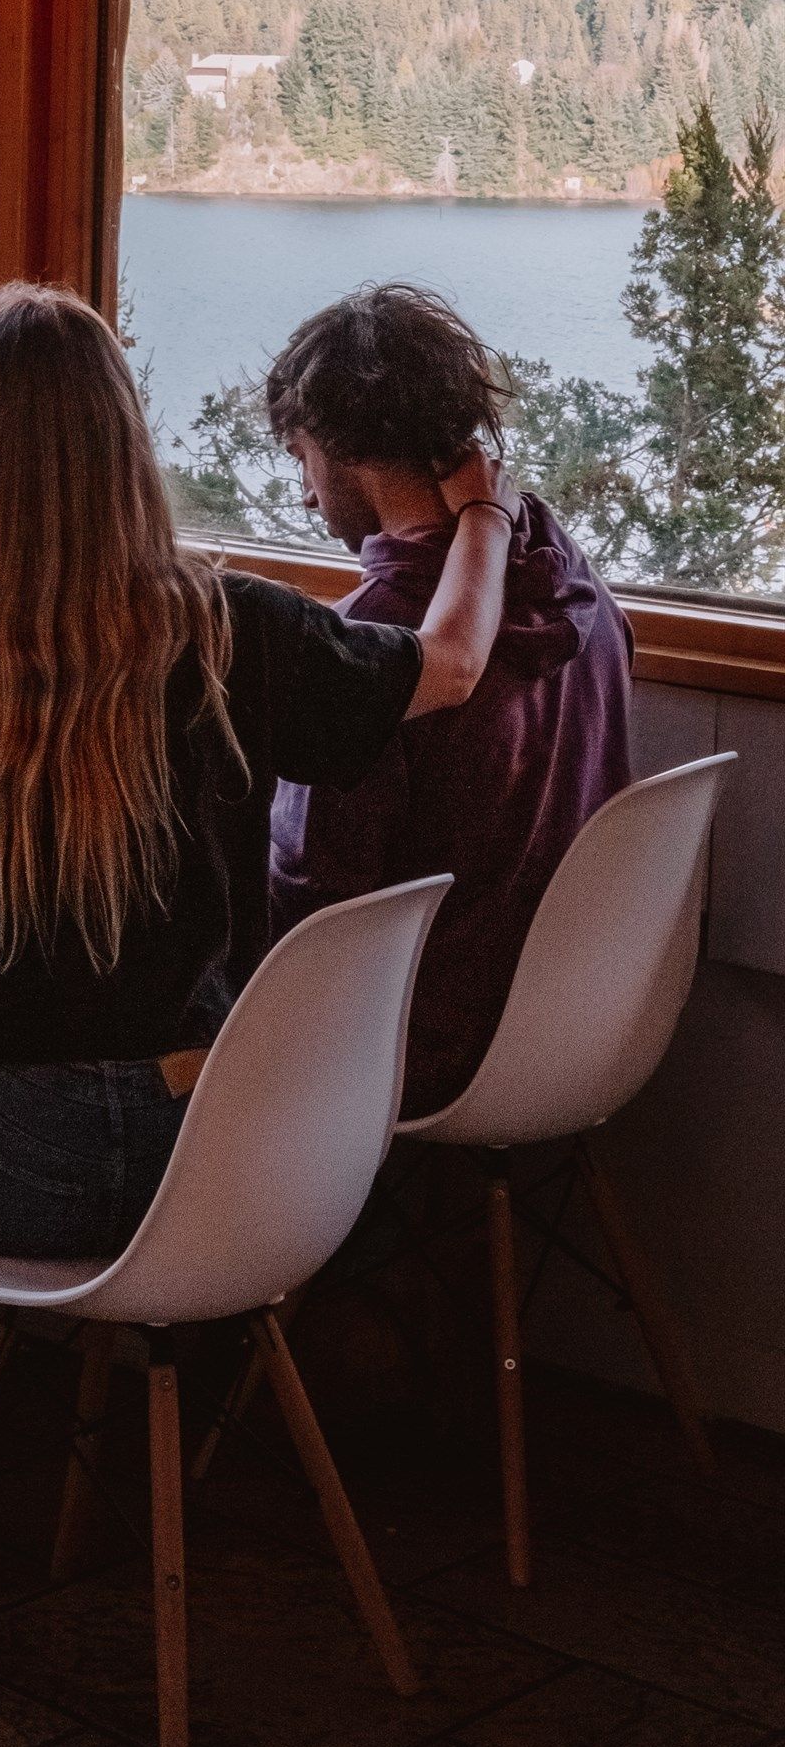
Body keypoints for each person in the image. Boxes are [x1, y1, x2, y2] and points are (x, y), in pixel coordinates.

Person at [0, 280, 519, 1592]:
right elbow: (452, 663)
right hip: (227, 1159)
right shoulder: (234, 627)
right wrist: (485, 515)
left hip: (8, 1170)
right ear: (127, 441)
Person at [266, 283, 633, 1124]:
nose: (307, 496)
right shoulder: (577, 585)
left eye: (300, 460)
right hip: (580, 1016)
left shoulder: (374, 648)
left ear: (331, 442)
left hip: (415, 1040)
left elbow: (311, 913)